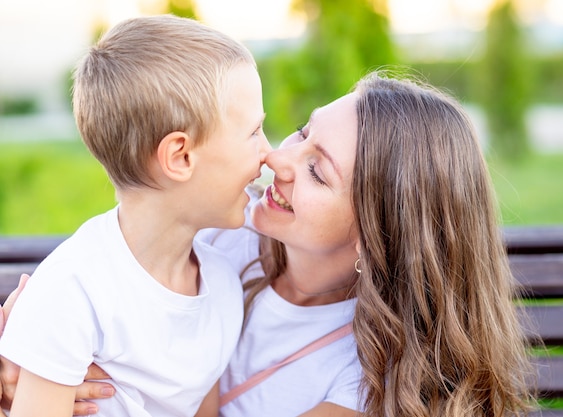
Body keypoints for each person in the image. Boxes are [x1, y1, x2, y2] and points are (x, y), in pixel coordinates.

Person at [1, 72, 535, 417]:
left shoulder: (374, 380)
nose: (278, 161)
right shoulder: (216, 237)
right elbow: (89, 296)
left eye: (317, 173)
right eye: (303, 133)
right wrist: (27, 368)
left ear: (377, 238)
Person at [0, 14, 271, 417]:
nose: (269, 152)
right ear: (180, 157)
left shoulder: (222, 284)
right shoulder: (71, 293)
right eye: (253, 132)